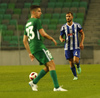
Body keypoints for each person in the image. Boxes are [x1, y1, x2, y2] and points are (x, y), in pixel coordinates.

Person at [23, 5, 67, 91]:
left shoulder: (27, 24)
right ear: (33, 12)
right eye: (39, 11)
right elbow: (43, 34)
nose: (41, 13)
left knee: (48, 66)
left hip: (33, 48)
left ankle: (34, 82)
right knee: (52, 64)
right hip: (39, 46)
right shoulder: (36, 21)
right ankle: (56, 87)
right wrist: (52, 38)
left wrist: (29, 53)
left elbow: (24, 41)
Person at [59, 12, 85, 80]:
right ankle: (75, 76)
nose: (68, 17)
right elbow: (60, 36)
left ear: (72, 17)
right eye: (66, 16)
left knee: (75, 60)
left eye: (69, 16)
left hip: (76, 46)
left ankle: (78, 65)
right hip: (67, 47)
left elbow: (82, 33)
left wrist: (81, 42)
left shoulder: (77, 25)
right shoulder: (63, 27)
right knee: (71, 62)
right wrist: (61, 39)